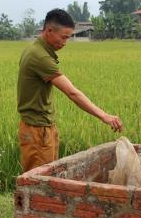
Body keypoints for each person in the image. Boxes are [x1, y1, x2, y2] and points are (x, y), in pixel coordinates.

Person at [17, 9, 123, 173]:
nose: (65, 42)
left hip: (43, 128)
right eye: (64, 37)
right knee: (38, 184)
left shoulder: (37, 50)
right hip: (37, 131)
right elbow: (72, 93)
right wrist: (104, 116)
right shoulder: (39, 56)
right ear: (49, 30)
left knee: (48, 179)